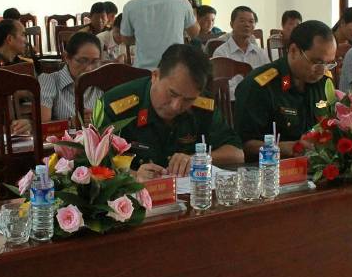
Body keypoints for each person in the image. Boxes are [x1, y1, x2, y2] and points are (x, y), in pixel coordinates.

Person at [101, 44, 244, 178]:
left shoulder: (203, 105)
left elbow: (237, 154)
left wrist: (197, 159)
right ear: (155, 76)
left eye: (188, 100)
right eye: (172, 94)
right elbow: (95, 165)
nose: (176, 106)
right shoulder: (116, 106)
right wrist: (133, 176)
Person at [234, 20, 336, 158]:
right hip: (273, 165)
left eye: (328, 64)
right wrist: (282, 148)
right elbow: (243, 145)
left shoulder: (324, 82)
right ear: (293, 51)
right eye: (317, 62)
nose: (322, 70)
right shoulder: (260, 86)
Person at [39, 31, 102, 123]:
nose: (89, 68)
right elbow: (44, 125)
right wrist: (71, 123)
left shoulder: (103, 82)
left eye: (95, 62)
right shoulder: (50, 81)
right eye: (82, 61)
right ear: (66, 57)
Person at [212, 6, 269, 97]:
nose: (247, 25)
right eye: (242, 21)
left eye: (251, 21)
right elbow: (222, 90)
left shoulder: (260, 53)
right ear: (231, 24)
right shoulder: (221, 53)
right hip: (232, 103)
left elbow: (269, 79)